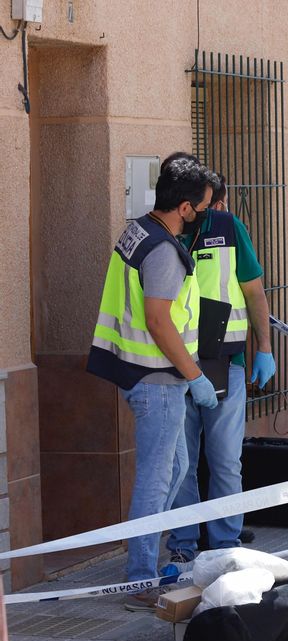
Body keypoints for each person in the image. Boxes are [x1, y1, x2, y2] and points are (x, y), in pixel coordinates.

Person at [86, 154, 220, 610]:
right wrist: (196, 376)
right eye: (203, 208)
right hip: (157, 380)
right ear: (184, 208)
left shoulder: (138, 230)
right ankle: (140, 579)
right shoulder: (163, 250)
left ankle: (146, 562)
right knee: (155, 479)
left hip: (142, 375)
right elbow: (160, 322)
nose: (206, 215)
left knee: (175, 470)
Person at [166, 168, 276, 565]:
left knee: (226, 460)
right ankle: (183, 544)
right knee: (181, 465)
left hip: (224, 362)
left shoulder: (229, 228)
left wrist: (264, 347)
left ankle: (226, 545)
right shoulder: (165, 230)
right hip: (173, 365)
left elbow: (254, 290)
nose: (209, 206)